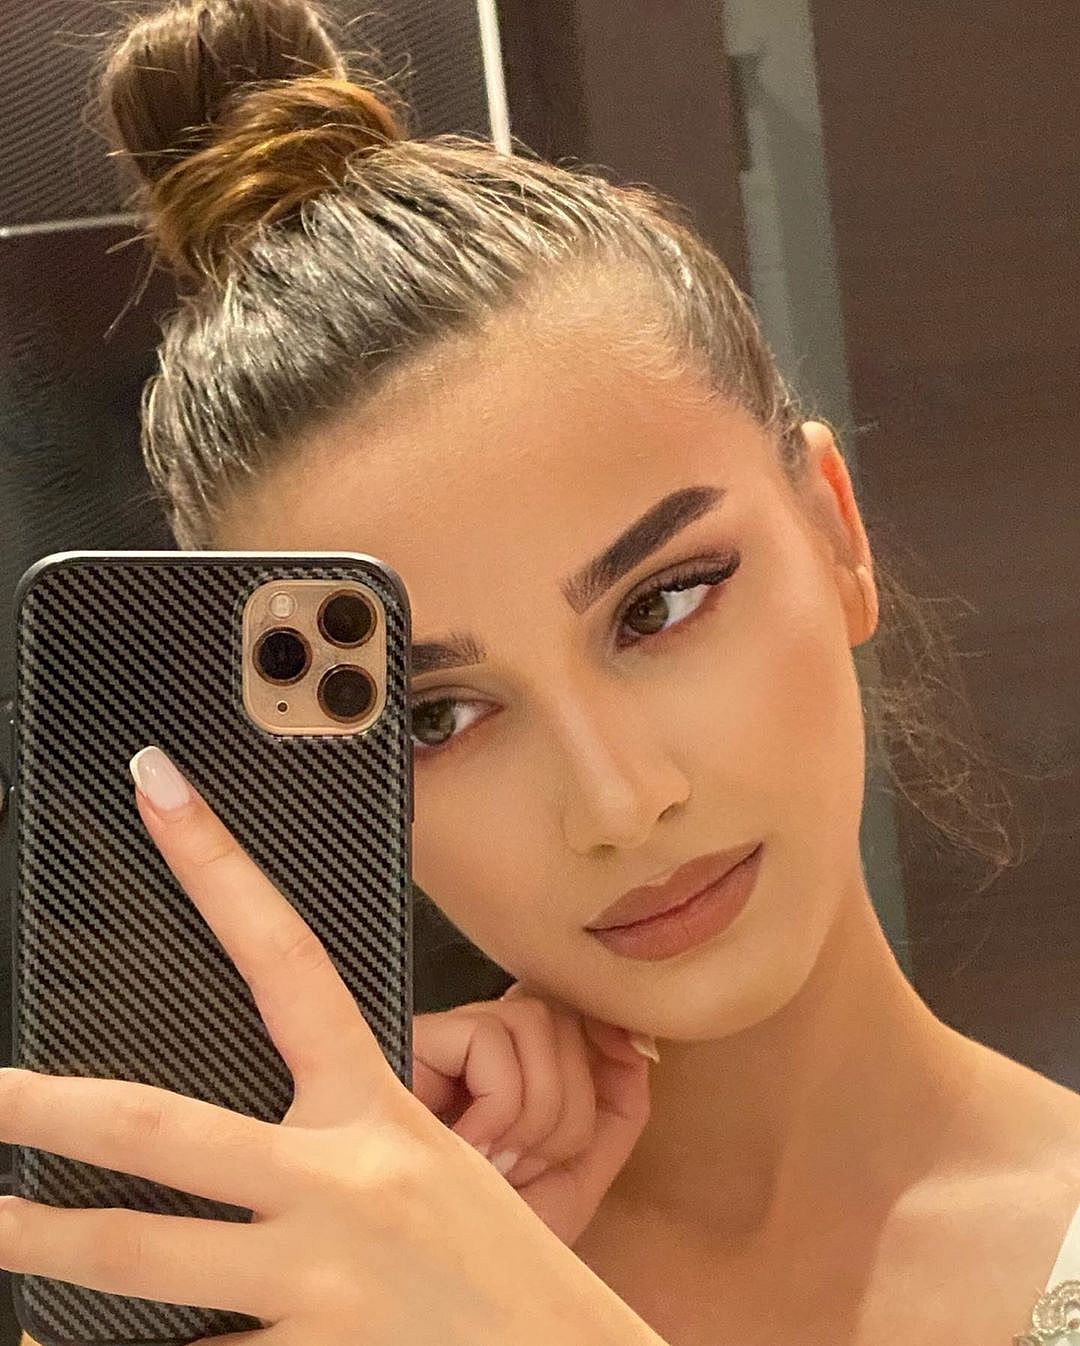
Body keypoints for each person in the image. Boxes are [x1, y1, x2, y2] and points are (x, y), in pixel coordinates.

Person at [20, 1, 1080, 1343]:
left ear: (834, 533)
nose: (620, 802)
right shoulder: (290, 1300)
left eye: (663, 604)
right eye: (437, 716)